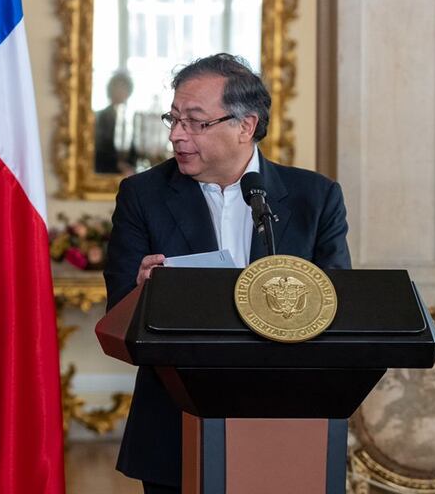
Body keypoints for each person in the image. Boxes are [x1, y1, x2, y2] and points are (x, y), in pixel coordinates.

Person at [102, 53, 350, 493]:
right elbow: (117, 319)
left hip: (289, 428)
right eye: (173, 119)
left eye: (196, 122)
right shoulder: (143, 195)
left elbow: (338, 312)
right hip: (175, 430)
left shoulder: (315, 198)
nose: (176, 135)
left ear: (245, 126)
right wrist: (141, 297)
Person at [94, 70, 137, 175]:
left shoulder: (130, 118)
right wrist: (118, 164)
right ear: (110, 90)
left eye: (124, 88)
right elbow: (100, 148)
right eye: (117, 87)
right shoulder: (101, 116)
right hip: (105, 171)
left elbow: (133, 149)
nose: (120, 91)